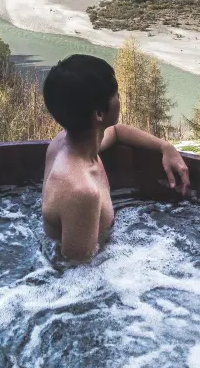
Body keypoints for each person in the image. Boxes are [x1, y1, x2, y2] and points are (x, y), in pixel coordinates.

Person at [42, 53, 190, 263]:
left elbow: (118, 132)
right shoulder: (82, 191)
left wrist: (164, 147)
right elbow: (77, 273)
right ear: (99, 114)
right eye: (115, 94)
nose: (119, 99)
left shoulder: (68, 143)